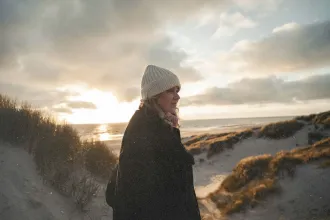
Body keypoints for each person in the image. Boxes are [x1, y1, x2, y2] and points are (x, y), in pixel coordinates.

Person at [109, 65, 201, 220]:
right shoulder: (144, 130)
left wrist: (171, 130)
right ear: (155, 95)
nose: (177, 97)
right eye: (170, 91)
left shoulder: (158, 126)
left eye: (177, 91)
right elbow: (136, 197)